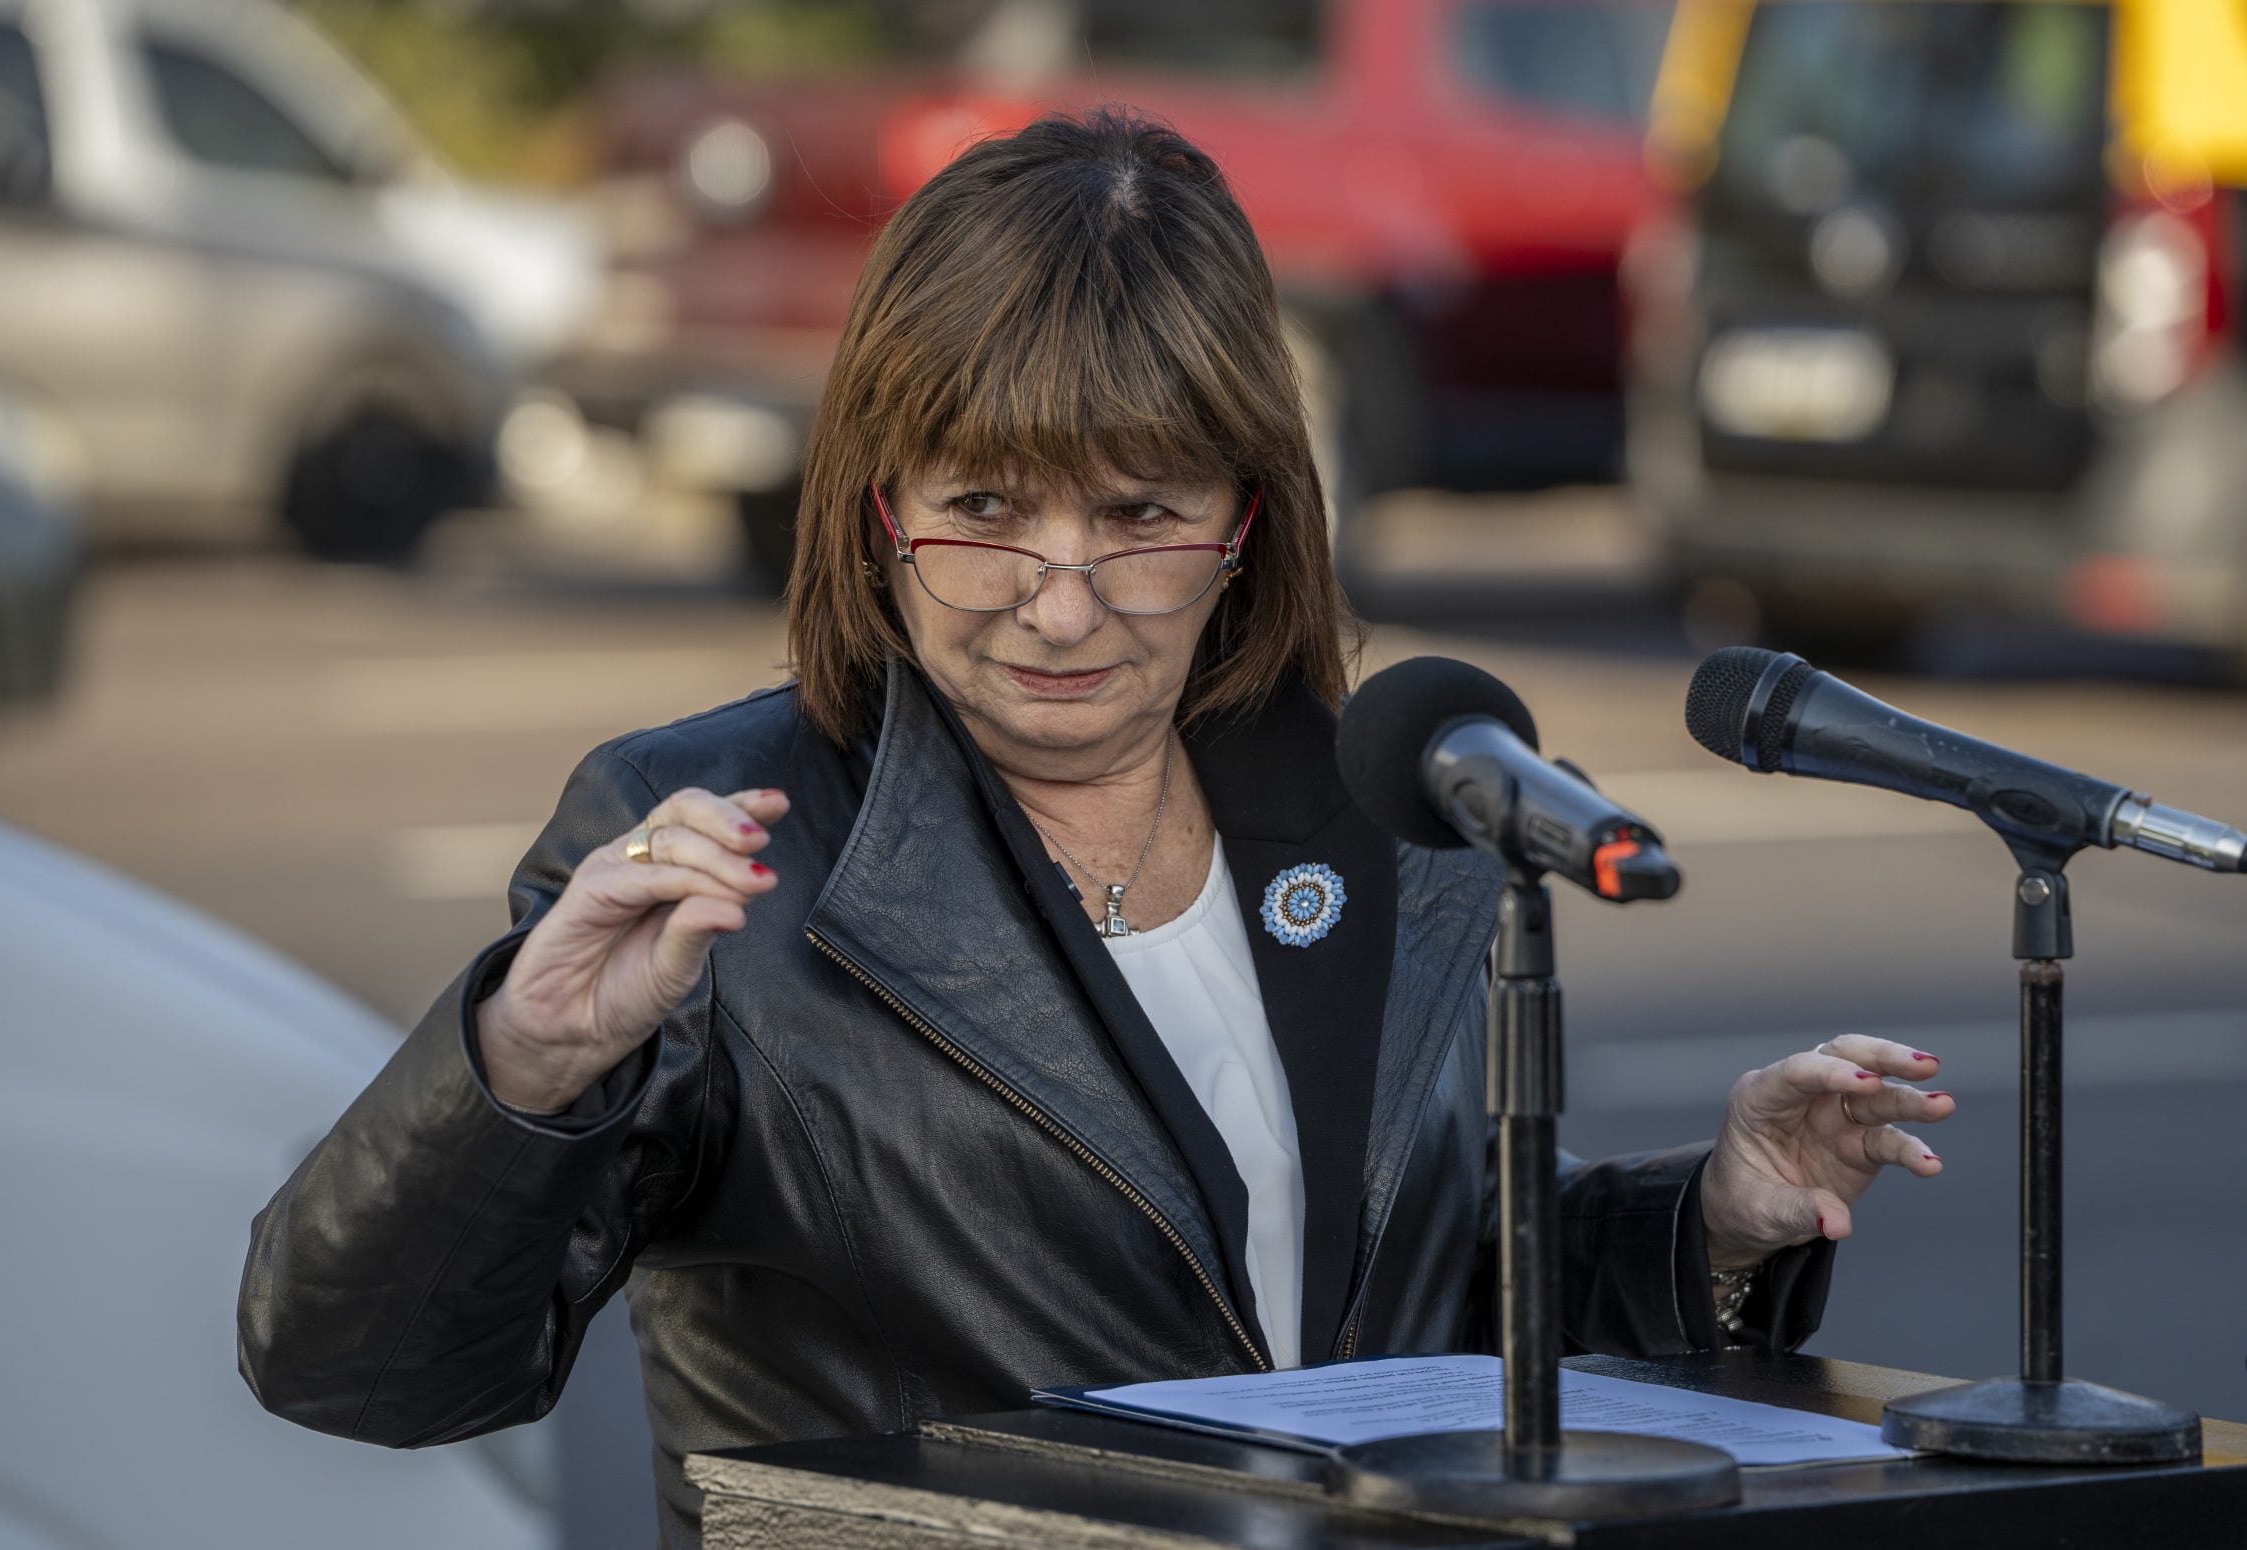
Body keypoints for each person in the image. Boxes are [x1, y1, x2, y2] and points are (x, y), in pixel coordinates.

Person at [238, 108, 1953, 1545]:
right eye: (984, 511)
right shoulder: (712, 840)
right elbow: (357, 1370)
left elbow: (1408, 1313)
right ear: (879, 502)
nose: (1058, 605)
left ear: (1248, 517)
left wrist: (1704, 1220)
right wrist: (519, 1068)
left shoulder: (1388, 802)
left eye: (1139, 514)